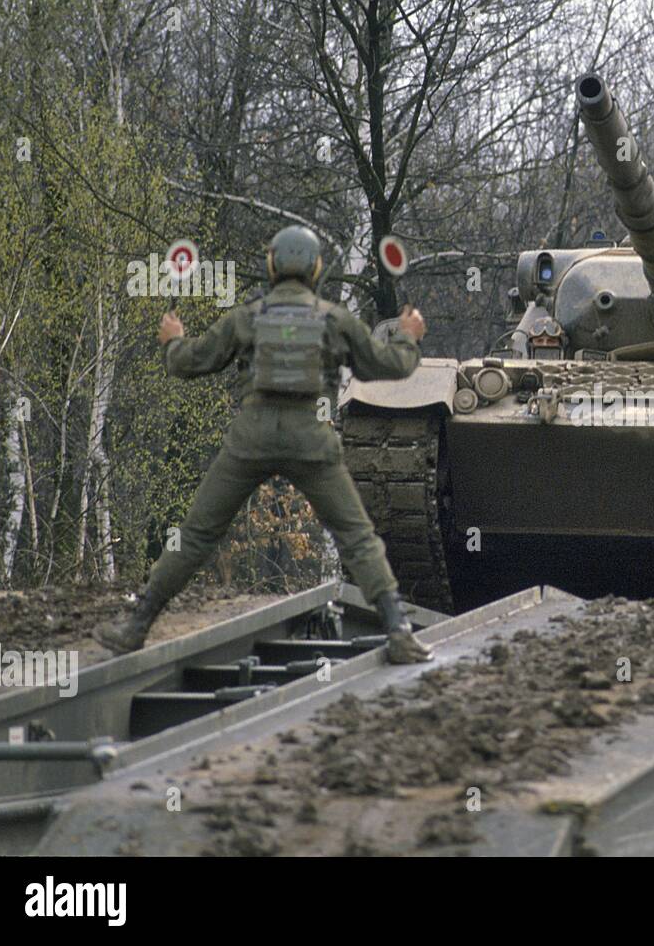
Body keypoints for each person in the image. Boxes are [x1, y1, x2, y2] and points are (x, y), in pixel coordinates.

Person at [93, 225, 432, 663]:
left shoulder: (247, 315)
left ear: (271, 265)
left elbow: (191, 363)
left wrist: (173, 339)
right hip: (312, 439)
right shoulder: (334, 318)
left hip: (250, 438)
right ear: (316, 269)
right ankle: (399, 630)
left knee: (195, 536)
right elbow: (389, 366)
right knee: (356, 536)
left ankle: (136, 627)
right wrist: (407, 334)